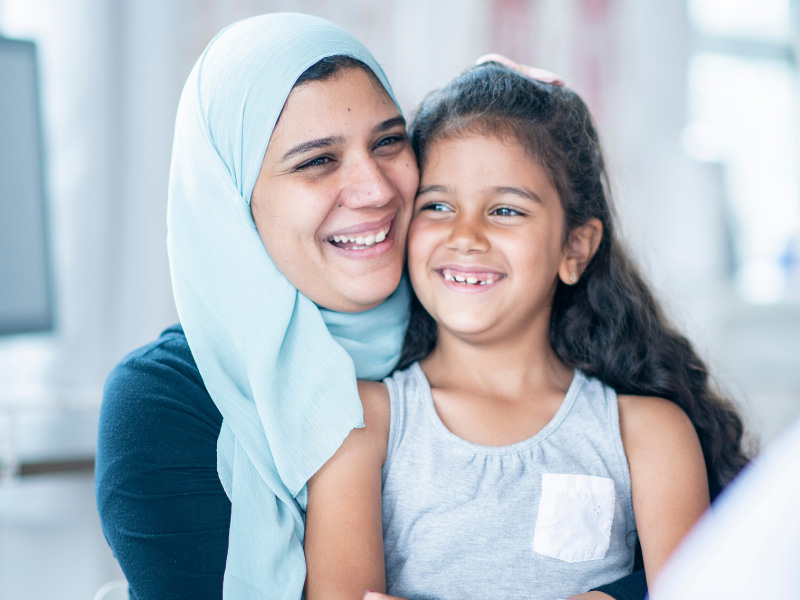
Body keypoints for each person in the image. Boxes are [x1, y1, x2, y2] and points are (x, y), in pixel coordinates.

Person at [96, 13, 643, 600]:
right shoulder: (162, 403)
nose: (377, 188)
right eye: (316, 161)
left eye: (388, 141)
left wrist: (504, 114)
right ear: (233, 201)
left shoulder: (476, 316)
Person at [303, 62, 750, 600]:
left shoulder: (648, 435)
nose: (465, 235)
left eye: (506, 210)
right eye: (438, 205)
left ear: (574, 248)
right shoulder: (360, 424)